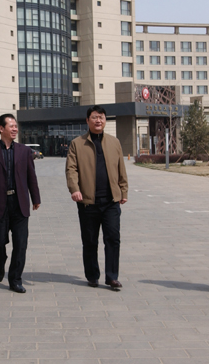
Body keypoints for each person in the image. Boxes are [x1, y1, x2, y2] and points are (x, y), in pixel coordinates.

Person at [65, 105, 128, 291]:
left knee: (113, 239)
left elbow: (121, 168)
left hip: (111, 202)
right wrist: (74, 189)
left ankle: (112, 277)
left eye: (101, 117)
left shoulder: (114, 142)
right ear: (87, 121)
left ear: (105, 120)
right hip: (88, 203)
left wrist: (123, 191)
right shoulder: (77, 144)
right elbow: (71, 169)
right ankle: (92, 276)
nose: (98, 120)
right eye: (94, 117)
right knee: (90, 241)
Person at [0, 114, 41, 293]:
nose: (15, 129)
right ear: (1, 128)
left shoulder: (24, 151)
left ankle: (15, 279)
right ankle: (0, 261)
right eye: (11, 126)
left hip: (20, 203)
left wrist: (35, 198)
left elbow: (31, 176)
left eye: (16, 126)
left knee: (21, 244)